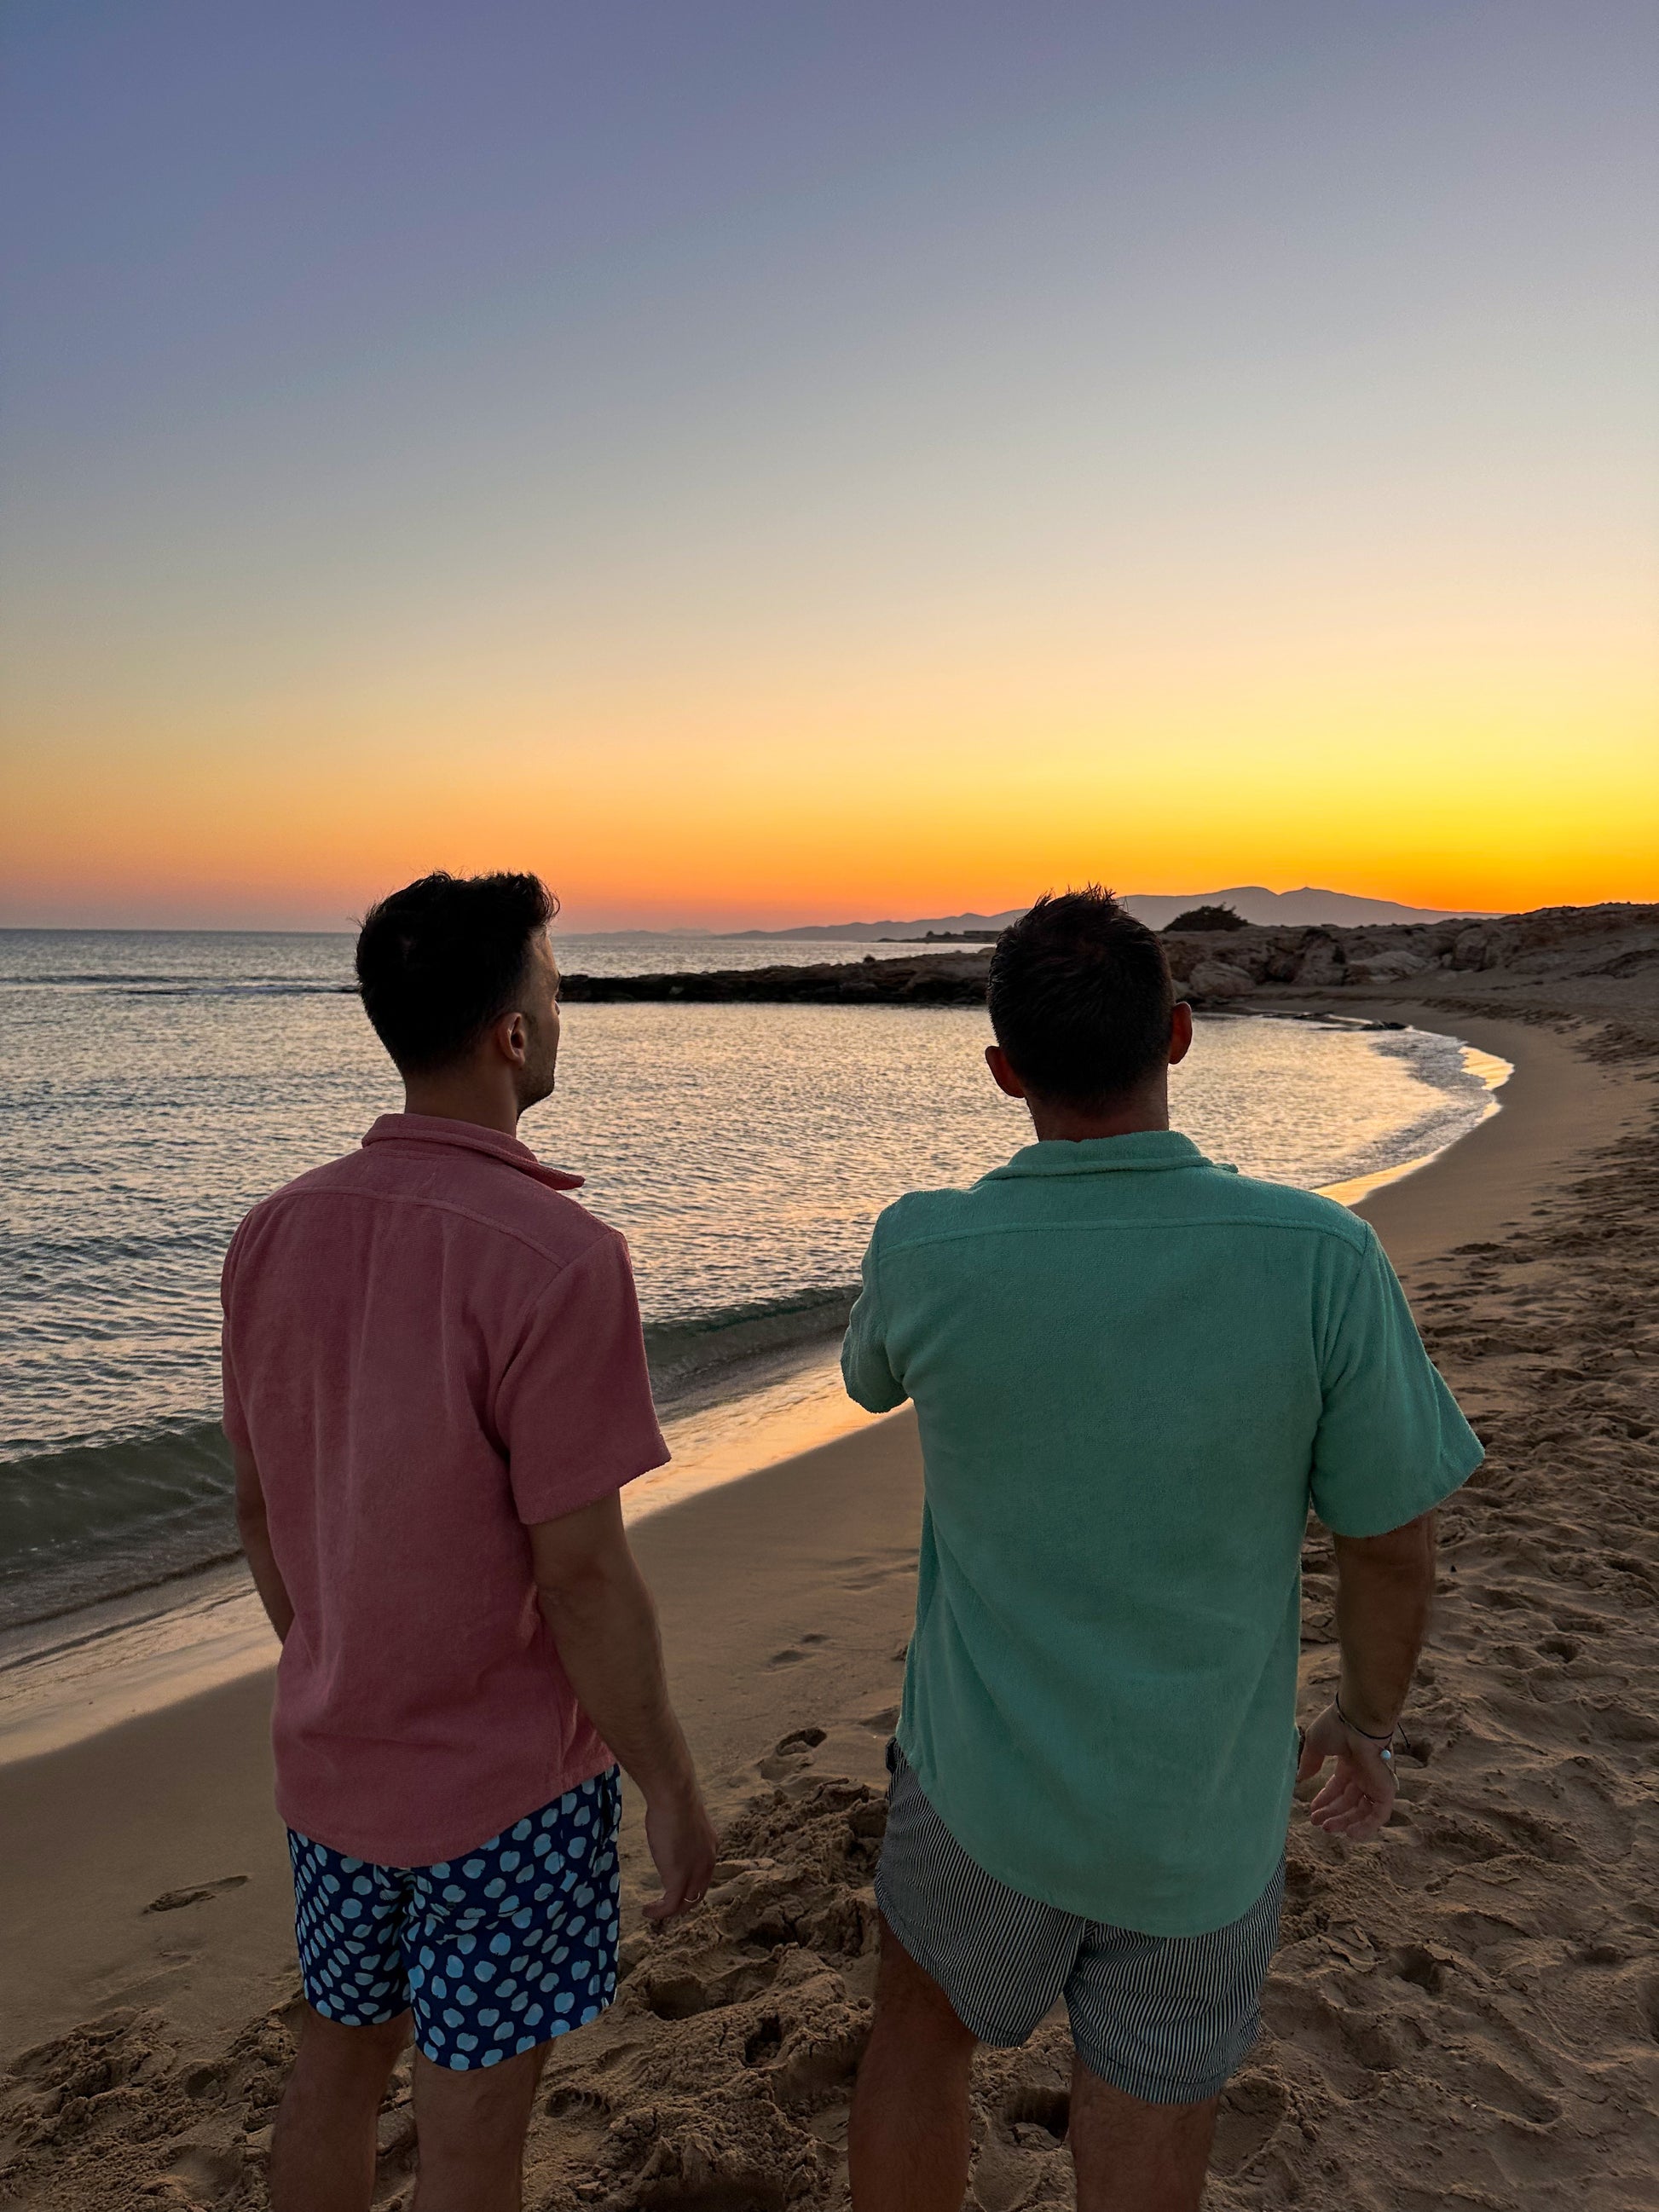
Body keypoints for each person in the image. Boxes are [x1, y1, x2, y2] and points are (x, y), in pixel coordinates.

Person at [841, 887, 1481, 2212]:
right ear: (1179, 1038)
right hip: (1199, 1820)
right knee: (1148, 2123)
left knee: (917, 2048)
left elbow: (864, 1376)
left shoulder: (926, 1243)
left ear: (1003, 1070)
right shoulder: (1318, 1255)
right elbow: (1388, 1542)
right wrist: (1360, 1722)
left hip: (977, 1792)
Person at [222, 870, 717, 2212]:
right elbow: (582, 1572)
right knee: (472, 2134)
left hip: (333, 1763)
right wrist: (665, 1779)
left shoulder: (271, 1234)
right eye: (552, 991)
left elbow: (262, 1506)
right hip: (506, 1794)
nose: (558, 1016)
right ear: (511, 1033)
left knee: (333, 2061)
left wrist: (336, 1661)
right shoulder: (559, 1256)